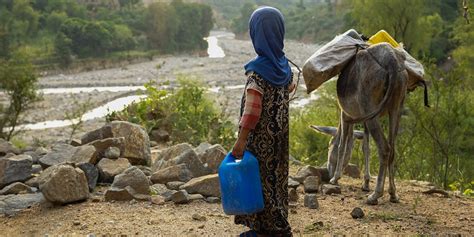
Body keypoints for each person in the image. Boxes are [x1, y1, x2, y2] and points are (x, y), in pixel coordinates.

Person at [231, 6, 295, 237]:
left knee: (257, 182)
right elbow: (289, 88)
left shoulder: (257, 72)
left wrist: (241, 141)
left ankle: (268, 230)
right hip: (279, 140)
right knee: (276, 181)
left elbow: (251, 112)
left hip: (259, 141)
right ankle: (277, 223)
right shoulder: (284, 67)